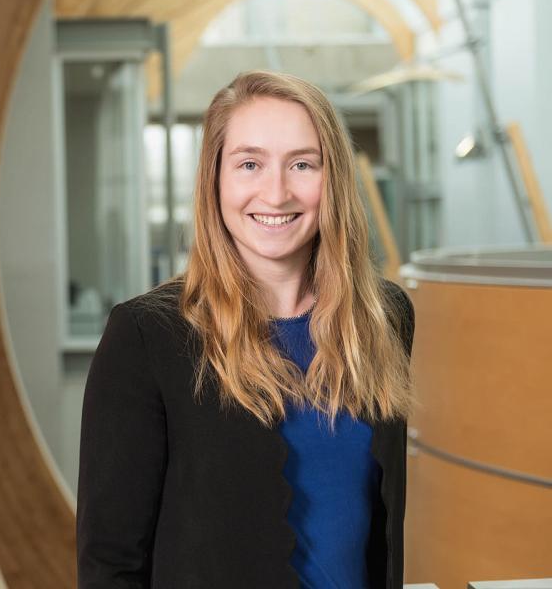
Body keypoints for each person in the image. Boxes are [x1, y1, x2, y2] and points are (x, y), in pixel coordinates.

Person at [76, 69, 415, 589]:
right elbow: (110, 562)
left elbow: (376, 534)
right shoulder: (147, 337)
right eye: (250, 164)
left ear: (335, 180)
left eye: (302, 164)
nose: (275, 193)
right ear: (216, 179)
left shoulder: (383, 316)